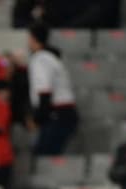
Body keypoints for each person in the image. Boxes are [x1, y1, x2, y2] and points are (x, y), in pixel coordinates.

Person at [27, 22, 78, 156]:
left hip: (58, 114)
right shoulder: (51, 57)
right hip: (62, 113)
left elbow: (44, 92)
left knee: (43, 157)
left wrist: (37, 119)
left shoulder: (40, 59)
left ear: (32, 39)